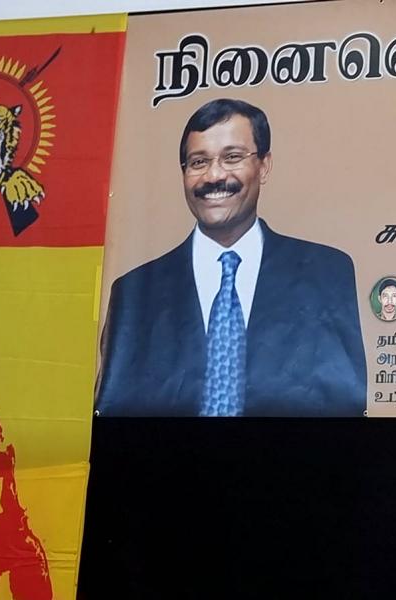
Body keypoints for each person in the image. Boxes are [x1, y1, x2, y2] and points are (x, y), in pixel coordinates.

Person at [95, 98, 367, 417]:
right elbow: (116, 407)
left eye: (232, 157)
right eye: (198, 162)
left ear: (264, 166)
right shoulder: (134, 293)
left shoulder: (327, 274)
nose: (213, 175)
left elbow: (345, 402)